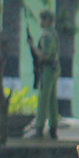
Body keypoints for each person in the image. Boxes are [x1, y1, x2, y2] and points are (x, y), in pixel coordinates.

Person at [27, 10, 60, 139]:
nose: (40, 22)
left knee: (43, 99)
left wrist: (32, 46)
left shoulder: (46, 36)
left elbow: (44, 56)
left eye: (42, 19)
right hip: (54, 69)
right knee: (52, 100)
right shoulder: (53, 34)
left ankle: (39, 128)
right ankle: (53, 128)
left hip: (47, 69)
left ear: (47, 21)